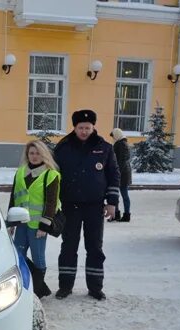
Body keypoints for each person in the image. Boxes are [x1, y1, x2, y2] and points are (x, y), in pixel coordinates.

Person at [54, 110, 120, 301]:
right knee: (68, 247)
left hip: (95, 206)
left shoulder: (104, 148)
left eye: (87, 128)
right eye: (80, 128)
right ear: (74, 128)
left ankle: (95, 287)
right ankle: (65, 287)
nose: (84, 131)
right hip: (69, 205)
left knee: (95, 248)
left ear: (93, 127)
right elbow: (53, 176)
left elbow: (114, 176)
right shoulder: (63, 147)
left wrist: (112, 203)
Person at [8, 140, 61, 298]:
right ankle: (29, 287)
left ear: (44, 154)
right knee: (19, 255)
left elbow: (51, 203)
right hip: (21, 223)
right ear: (27, 155)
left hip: (38, 225)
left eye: (38, 153)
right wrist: (11, 222)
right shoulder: (20, 172)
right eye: (31, 153)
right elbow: (14, 197)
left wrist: (44, 227)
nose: (35, 156)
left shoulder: (51, 175)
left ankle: (38, 291)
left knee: (38, 258)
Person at [110, 128, 132, 222]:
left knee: (123, 195)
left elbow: (120, 161)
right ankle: (118, 214)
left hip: (122, 174)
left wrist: (117, 173)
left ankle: (124, 215)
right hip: (124, 173)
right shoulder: (122, 143)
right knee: (120, 194)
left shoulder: (121, 144)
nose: (112, 138)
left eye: (113, 136)